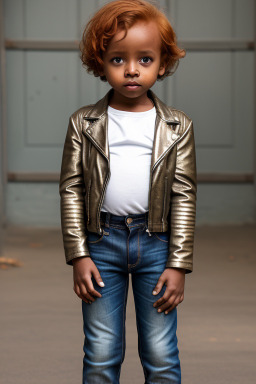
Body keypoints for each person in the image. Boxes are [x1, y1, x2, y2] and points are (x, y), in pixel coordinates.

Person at [59, 0, 197, 383]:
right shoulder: (84, 123)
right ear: (100, 64)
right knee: (102, 351)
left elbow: (183, 195)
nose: (132, 69)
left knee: (161, 351)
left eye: (145, 59)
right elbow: (71, 190)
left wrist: (178, 263)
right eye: (118, 59)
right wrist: (78, 254)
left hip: (157, 245)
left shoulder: (177, 126)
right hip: (101, 243)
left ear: (163, 64)